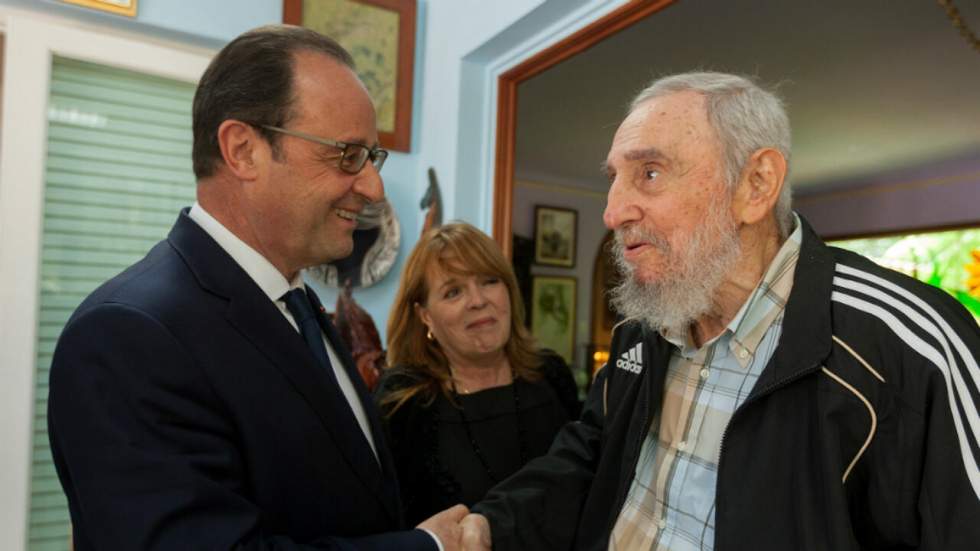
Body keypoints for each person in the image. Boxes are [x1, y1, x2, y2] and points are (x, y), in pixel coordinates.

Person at [463, 72, 980, 550]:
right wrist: (491, 524)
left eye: (648, 172)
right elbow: (595, 450)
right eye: (614, 178)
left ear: (755, 185)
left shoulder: (911, 351)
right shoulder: (640, 330)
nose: (613, 211)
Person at [47, 25, 469, 550]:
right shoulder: (127, 335)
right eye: (347, 155)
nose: (373, 187)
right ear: (243, 150)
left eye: (371, 158)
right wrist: (428, 547)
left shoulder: (302, 305)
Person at [376, 222, 581, 525]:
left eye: (489, 281)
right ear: (425, 316)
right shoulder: (403, 399)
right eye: (453, 291)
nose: (478, 300)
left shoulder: (550, 374)